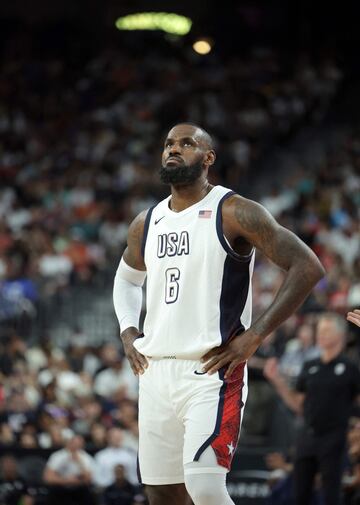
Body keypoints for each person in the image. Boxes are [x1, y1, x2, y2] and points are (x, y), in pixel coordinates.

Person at [113, 122, 325, 505]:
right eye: (168, 144)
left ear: (208, 158)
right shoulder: (145, 223)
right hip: (155, 371)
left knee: (206, 488)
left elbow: (307, 266)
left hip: (211, 371)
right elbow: (126, 280)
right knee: (162, 494)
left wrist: (255, 334)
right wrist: (128, 331)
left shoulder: (234, 211)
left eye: (186, 144)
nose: (173, 150)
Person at [264, 312, 360, 505]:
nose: (321, 334)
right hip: (307, 436)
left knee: (331, 494)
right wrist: (277, 381)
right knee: (299, 494)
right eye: (319, 330)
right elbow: (298, 405)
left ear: (340, 335)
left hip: (335, 437)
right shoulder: (309, 365)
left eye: (326, 330)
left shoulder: (350, 367)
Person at [43, 433, 95, 505]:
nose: (76, 446)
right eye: (74, 443)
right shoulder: (57, 456)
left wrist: (80, 463)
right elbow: (47, 478)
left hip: (79, 490)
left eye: (79, 444)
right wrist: (66, 481)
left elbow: (88, 480)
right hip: (60, 488)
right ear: (68, 443)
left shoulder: (86, 458)